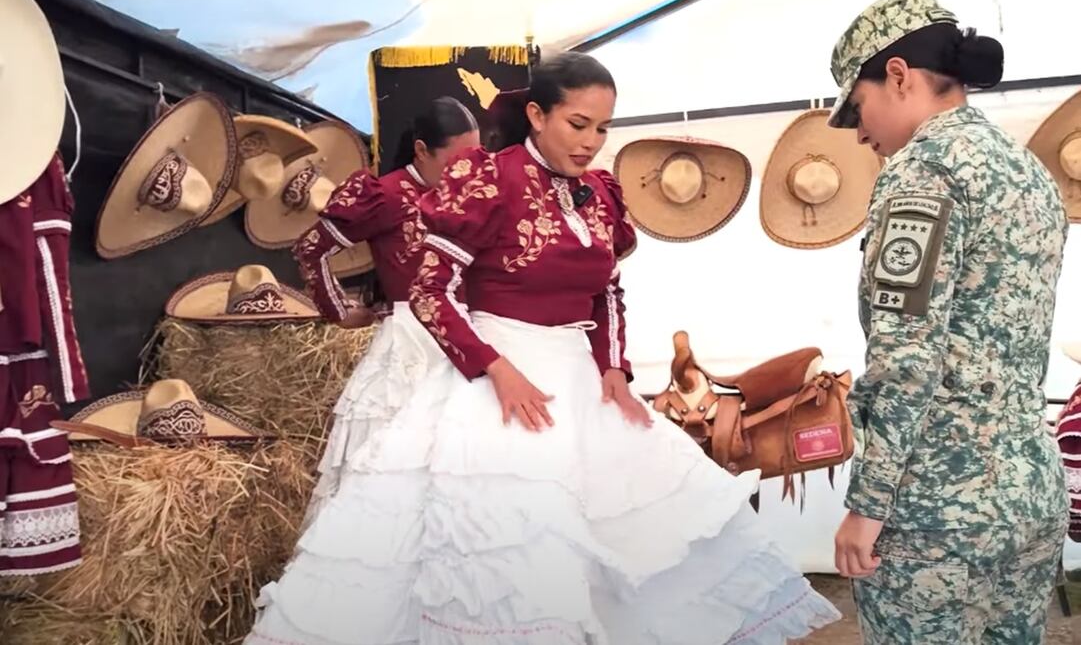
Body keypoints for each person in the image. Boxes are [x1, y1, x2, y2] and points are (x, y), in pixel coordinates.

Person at [247, 52, 839, 644]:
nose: (591, 142)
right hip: (497, 370)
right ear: (536, 114)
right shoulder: (487, 180)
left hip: (579, 376)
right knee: (511, 545)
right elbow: (431, 293)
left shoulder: (600, 193)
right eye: (578, 125)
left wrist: (613, 369)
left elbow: (607, 290)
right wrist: (495, 370)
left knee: (630, 534)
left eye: (603, 128)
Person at [827, 0, 1069, 643]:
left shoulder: (922, 174)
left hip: (936, 510)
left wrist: (866, 507)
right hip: (1027, 494)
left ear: (897, 76)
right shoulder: (1026, 172)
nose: (860, 133)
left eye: (858, 106)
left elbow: (907, 359)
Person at [292, 96, 480, 521]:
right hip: (411, 346)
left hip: (470, 338)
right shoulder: (386, 195)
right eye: (455, 161)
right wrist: (339, 311)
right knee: (395, 466)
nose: (467, 172)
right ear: (421, 150)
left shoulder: (475, 194)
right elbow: (310, 248)